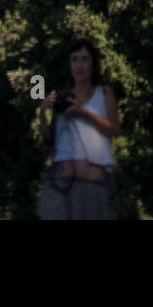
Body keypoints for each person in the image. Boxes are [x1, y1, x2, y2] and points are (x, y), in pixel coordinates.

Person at [38, 36, 121, 220]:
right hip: (60, 182)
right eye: (74, 59)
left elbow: (114, 129)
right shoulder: (62, 97)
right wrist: (43, 115)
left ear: (93, 64)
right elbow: (50, 141)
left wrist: (82, 112)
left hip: (92, 182)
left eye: (84, 59)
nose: (79, 65)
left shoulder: (104, 93)